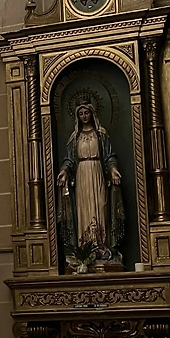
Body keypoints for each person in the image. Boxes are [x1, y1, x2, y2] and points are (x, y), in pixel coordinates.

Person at [55, 101, 125, 271]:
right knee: (83, 210)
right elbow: (69, 159)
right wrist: (64, 171)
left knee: (100, 205)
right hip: (82, 175)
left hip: (97, 172)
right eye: (81, 114)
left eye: (86, 112)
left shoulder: (100, 134)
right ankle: (84, 249)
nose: (84, 116)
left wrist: (113, 170)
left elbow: (109, 156)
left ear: (92, 113)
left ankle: (101, 245)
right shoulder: (75, 137)